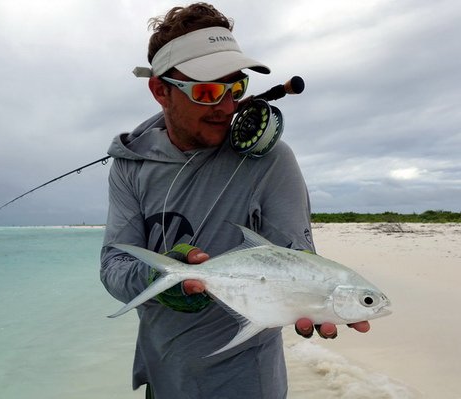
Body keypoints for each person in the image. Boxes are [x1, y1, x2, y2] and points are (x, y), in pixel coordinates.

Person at [100, 3, 369, 398]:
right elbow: (114, 266)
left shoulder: (271, 160)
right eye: (208, 91)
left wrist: (316, 299)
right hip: (162, 375)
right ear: (160, 91)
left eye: (235, 87)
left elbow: (297, 256)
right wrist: (159, 278)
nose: (227, 108)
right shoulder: (130, 166)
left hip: (247, 383)